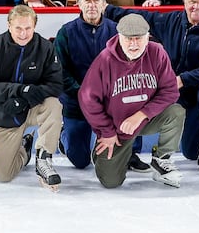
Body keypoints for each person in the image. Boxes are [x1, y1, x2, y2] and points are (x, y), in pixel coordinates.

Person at [107, 0, 199, 169]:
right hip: (176, 95)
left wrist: (183, 79)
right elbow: (139, 18)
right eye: (192, 1)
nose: (196, 6)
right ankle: (129, 151)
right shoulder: (171, 21)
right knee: (190, 151)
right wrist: (107, 10)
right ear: (184, 2)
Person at [78, 13, 186, 189]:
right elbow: (87, 99)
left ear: (148, 37)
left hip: (145, 120)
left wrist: (142, 114)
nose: (134, 44)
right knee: (111, 182)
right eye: (129, 39)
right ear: (119, 37)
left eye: (139, 38)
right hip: (117, 128)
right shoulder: (105, 60)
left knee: (176, 112)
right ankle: (110, 156)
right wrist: (107, 132)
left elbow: (170, 91)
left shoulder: (157, 52)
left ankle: (161, 159)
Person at [0, 4, 65, 187]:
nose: (23, 33)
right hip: (5, 113)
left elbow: (56, 85)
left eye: (28, 28)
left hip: (33, 108)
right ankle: (25, 148)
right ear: (9, 25)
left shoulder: (45, 48)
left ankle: (43, 159)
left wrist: (26, 99)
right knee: (4, 175)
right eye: (18, 28)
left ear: (34, 26)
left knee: (53, 105)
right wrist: (19, 91)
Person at [53, 0, 118, 171]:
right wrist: (83, 94)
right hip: (76, 103)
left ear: (104, 4)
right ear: (79, 4)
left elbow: (124, 68)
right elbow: (60, 72)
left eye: (96, 0)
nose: (92, 5)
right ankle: (65, 135)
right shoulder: (66, 32)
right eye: (87, 0)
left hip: (107, 103)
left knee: (113, 155)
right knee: (80, 161)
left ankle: (132, 153)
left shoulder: (116, 31)